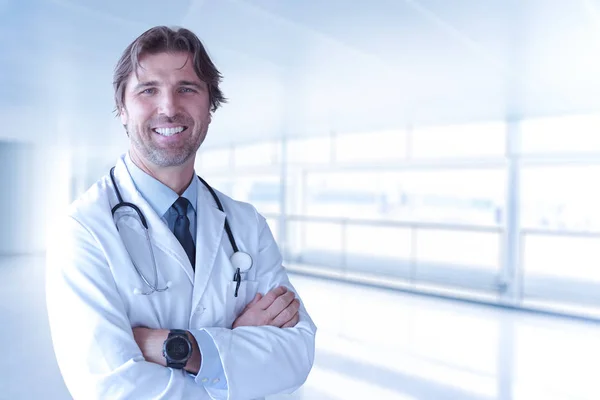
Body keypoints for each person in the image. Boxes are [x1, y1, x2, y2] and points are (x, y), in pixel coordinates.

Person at [46, 26, 317, 400]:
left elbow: (296, 356)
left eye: (187, 89)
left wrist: (178, 347)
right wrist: (234, 350)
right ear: (122, 109)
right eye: (148, 90)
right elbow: (111, 389)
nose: (169, 107)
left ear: (210, 107)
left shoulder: (246, 223)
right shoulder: (84, 229)